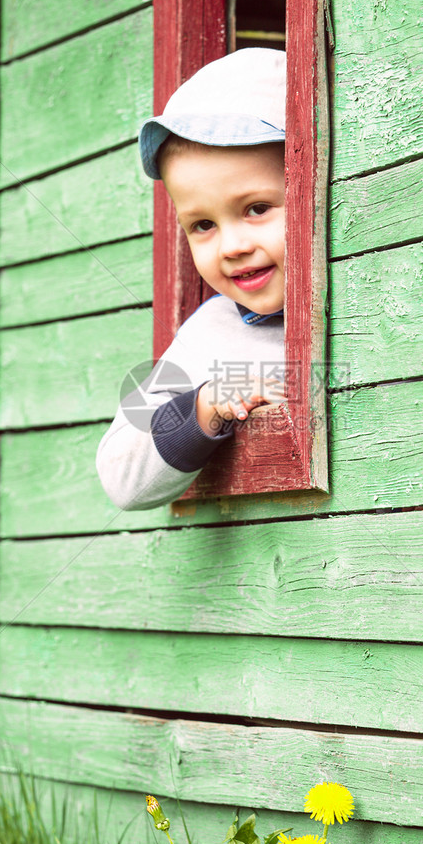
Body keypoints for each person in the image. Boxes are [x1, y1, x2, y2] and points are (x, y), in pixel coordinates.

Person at [95, 48, 288, 511]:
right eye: (203, 225)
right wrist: (205, 406)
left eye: (257, 209)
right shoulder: (208, 337)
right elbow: (121, 471)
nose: (232, 246)